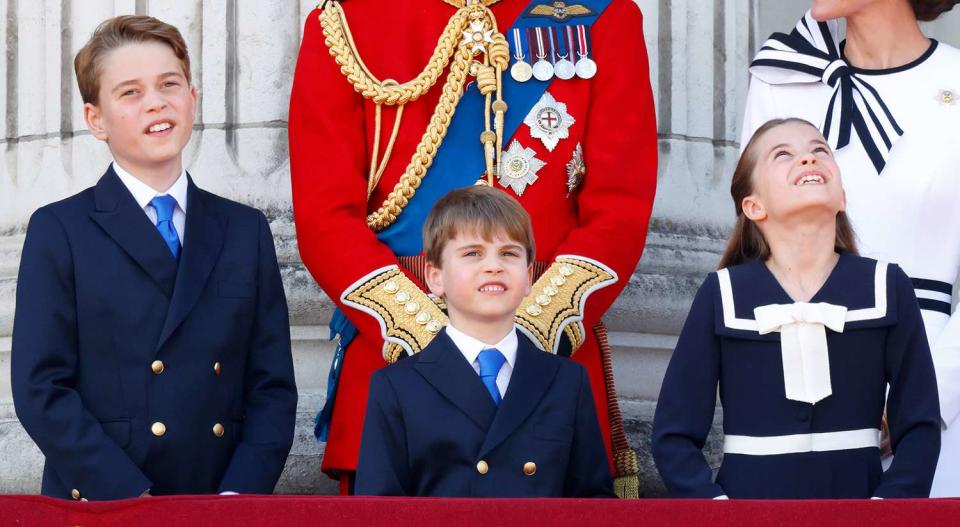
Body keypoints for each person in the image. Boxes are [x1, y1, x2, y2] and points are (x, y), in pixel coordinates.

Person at [288, 0, 657, 496]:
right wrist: (436, 346)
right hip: (397, 360)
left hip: (547, 355)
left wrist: (526, 336)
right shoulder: (345, 23)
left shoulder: (602, 16)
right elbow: (325, 218)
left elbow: (619, 210)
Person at [11, 15, 297, 500]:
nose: (156, 102)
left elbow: (271, 385)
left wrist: (238, 497)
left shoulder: (244, 230)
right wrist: (124, 494)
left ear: (192, 97)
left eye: (170, 84)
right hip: (107, 501)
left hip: (218, 500)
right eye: (130, 92)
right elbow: (42, 389)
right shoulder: (59, 230)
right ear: (95, 119)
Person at [651, 118, 941, 499]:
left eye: (819, 150)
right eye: (783, 155)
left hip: (860, 509)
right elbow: (674, 435)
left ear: (842, 197)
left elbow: (920, 425)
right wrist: (716, 509)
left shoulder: (887, 286)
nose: (808, 159)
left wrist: (887, 508)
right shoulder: (720, 294)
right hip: (747, 512)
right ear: (753, 206)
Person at [741, 0, 960, 496]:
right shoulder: (782, 76)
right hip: (797, 378)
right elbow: (756, 242)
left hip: (939, 370)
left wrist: (927, 396)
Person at [355, 185, 614, 497]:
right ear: (435, 277)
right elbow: (377, 511)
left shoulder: (568, 381)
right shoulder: (396, 387)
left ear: (529, 277)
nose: (494, 266)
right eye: (472, 254)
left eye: (508, 253)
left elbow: (593, 505)